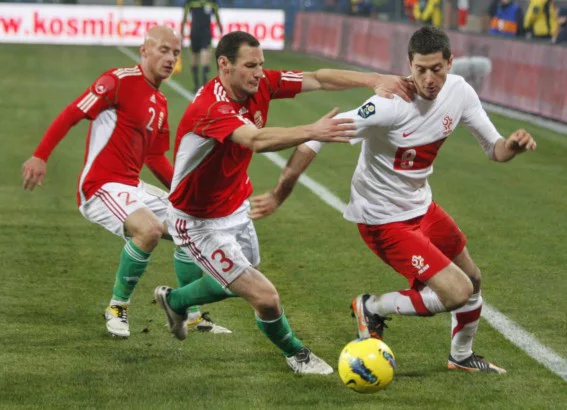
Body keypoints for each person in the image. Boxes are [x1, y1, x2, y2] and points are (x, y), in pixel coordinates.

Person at [250, 26, 537, 374]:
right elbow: (316, 137)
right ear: (409, 64)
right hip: (382, 220)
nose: (428, 79)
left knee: (472, 279)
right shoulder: (388, 105)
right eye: (420, 69)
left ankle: (461, 356)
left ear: (450, 62)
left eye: (436, 69)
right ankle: (372, 307)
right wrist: (281, 191)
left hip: (422, 207)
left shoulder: (460, 92)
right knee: (457, 291)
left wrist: (514, 145)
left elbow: (496, 149)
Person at [153, 30, 413, 374]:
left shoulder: (261, 83)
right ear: (224, 65)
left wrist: (374, 79)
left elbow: (318, 78)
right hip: (197, 220)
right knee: (265, 296)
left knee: (235, 281)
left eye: (261, 64)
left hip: (235, 206)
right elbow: (256, 139)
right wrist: (313, 130)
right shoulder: (211, 107)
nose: (259, 73)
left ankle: (174, 301)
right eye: (250, 66)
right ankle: (297, 354)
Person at [21, 25, 229, 339]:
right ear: (144, 50)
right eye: (163, 50)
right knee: (149, 230)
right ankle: (117, 307)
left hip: (131, 186)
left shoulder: (160, 102)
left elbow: (155, 157)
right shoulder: (118, 81)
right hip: (100, 186)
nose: (170, 58)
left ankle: (188, 313)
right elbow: (73, 112)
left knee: (191, 223)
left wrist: (185, 194)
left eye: (175, 53)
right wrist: (40, 155)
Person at [179, 0, 223, 92]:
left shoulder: (212, 3)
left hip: (205, 34)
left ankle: (203, 85)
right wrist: (182, 34)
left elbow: (217, 18)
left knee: (204, 57)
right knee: (195, 58)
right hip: (195, 34)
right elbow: (184, 18)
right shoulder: (191, 2)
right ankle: (197, 84)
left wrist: (221, 32)